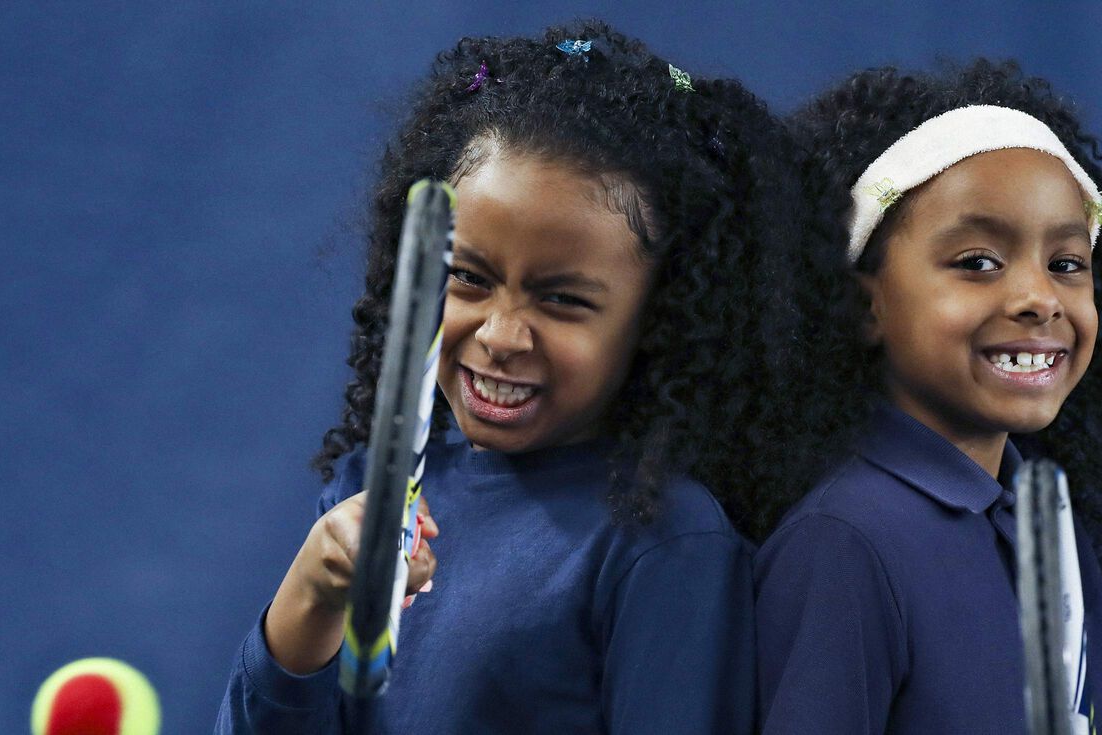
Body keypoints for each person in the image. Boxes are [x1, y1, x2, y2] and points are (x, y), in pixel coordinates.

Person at [217, 19, 808, 733]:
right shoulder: (364, 488)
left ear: (662, 319)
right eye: (468, 277)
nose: (500, 335)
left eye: (562, 298)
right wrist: (310, 594)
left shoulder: (665, 542)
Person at [755, 59, 1102, 734]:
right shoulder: (843, 544)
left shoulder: (1046, 524)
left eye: (1067, 264)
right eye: (978, 263)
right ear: (861, 301)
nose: (1038, 298)